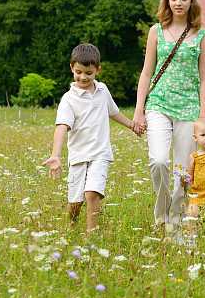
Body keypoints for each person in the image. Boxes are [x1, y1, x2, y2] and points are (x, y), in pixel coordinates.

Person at [133, 0, 205, 228]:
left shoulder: (202, 35)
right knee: (158, 160)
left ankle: (175, 218)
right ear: (167, 1)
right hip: (158, 104)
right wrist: (138, 111)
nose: (178, 3)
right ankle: (162, 213)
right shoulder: (156, 31)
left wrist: (203, 115)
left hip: (189, 109)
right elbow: (146, 72)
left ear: (191, 1)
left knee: (182, 170)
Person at [42, 43, 140, 232]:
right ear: (72, 68)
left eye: (89, 73)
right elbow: (62, 127)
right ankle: (69, 227)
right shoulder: (68, 100)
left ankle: (91, 236)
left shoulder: (103, 90)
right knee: (76, 200)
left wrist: (132, 125)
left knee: (92, 193)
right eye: (78, 72)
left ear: (97, 71)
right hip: (78, 156)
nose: (83, 77)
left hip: (100, 154)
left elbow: (113, 113)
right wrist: (56, 155)